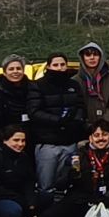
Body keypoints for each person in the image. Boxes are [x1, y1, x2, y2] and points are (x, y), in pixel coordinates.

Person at [30, 53, 86, 198]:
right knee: (46, 185)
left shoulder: (73, 85)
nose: (59, 68)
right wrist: (56, 120)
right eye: (55, 65)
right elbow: (34, 111)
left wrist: (76, 122)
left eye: (62, 65)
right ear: (48, 66)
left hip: (70, 141)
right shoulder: (38, 85)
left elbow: (80, 106)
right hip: (47, 142)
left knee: (67, 181)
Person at [74, 41, 109, 135]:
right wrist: (86, 125)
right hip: (82, 131)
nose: (92, 58)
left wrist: (104, 123)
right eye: (88, 54)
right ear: (82, 58)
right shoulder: (74, 82)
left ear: (101, 57)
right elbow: (74, 107)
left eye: (95, 54)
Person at [0, 55, 35, 146]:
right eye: (11, 69)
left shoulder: (33, 91)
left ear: (23, 71)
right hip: (5, 142)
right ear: (4, 72)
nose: (15, 71)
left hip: (30, 141)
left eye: (18, 68)